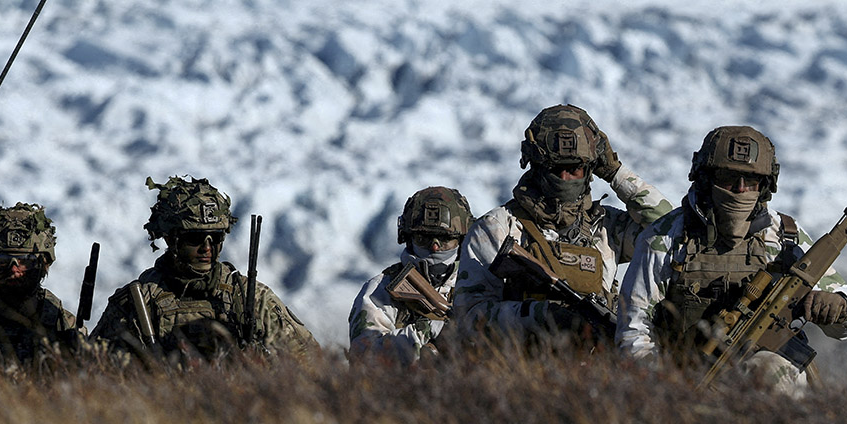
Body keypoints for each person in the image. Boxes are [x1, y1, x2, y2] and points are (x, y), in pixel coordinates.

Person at [617, 125, 847, 396]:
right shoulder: (665, 238)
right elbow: (634, 329)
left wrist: (839, 308)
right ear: (705, 178)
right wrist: (663, 389)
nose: (740, 189)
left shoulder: (784, 238)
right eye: (727, 178)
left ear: (765, 186)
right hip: (687, 379)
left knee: (771, 371)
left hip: (771, 382)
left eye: (751, 180)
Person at [452, 104, 673, 354]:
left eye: (575, 168)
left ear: (591, 169)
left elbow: (671, 232)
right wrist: (540, 316)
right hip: (520, 375)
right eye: (555, 169)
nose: (565, 178)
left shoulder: (608, 228)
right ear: (535, 165)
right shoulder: (498, 227)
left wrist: (616, 173)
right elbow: (468, 319)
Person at [91, 176, 319, 365]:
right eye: (195, 238)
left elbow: (311, 361)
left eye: (216, 237)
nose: (207, 248)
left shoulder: (249, 298)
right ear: (171, 239)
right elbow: (95, 371)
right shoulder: (138, 303)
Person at [348, 186, 473, 365]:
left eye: (445, 239)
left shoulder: (480, 283)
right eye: (423, 238)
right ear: (407, 237)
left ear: (462, 239)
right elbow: (363, 358)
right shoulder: (380, 290)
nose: (435, 247)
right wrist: (426, 330)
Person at [0, 202, 81, 376]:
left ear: (43, 265)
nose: (14, 270)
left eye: (25, 261)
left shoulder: (62, 323)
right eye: (2, 261)